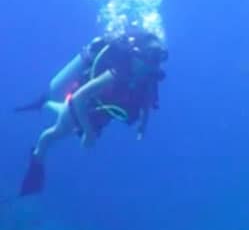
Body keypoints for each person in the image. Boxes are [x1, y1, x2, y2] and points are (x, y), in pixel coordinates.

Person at [14, 28, 169, 196]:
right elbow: (78, 98)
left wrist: (143, 125)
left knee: (65, 116)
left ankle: (46, 103)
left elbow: (146, 100)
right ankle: (36, 160)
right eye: (151, 58)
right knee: (54, 134)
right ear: (137, 54)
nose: (154, 66)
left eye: (159, 59)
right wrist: (88, 132)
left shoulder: (149, 77)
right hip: (81, 106)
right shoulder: (116, 74)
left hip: (97, 112)